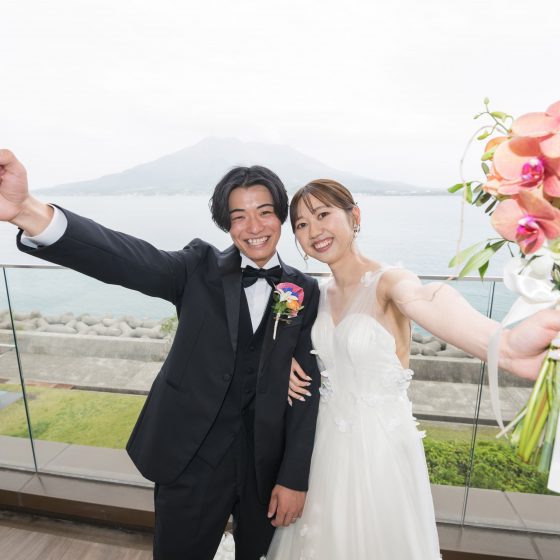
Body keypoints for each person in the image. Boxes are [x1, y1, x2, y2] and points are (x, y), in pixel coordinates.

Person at [0, 149, 321, 560]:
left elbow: (306, 391)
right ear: (226, 224)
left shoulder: (303, 290)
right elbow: (125, 258)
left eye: (264, 212)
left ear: (280, 217)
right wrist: (27, 210)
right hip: (190, 458)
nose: (254, 227)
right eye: (239, 216)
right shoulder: (198, 267)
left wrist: (293, 478)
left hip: (265, 467)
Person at [266, 179, 560, 560]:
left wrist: (503, 346)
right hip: (323, 450)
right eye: (302, 225)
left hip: (379, 453)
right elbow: (280, 340)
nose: (314, 231)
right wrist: (281, 360)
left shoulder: (389, 282)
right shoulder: (312, 293)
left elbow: (426, 299)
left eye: (323, 215)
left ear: (355, 216)